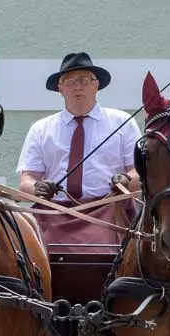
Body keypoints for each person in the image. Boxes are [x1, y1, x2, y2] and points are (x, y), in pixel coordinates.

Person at [16, 51, 142, 253]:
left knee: (103, 250)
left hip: (106, 211)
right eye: (69, 81)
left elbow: (139, 174)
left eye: (83, 80)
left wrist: (125, 180)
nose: (76, 86)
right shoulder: (41, 129)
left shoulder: (123, 123)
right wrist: (38, 188)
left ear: (96, 84)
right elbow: (26, 181)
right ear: (60, 89)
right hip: (53, 213)